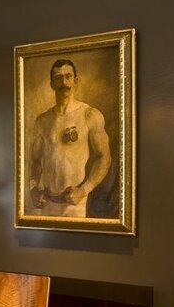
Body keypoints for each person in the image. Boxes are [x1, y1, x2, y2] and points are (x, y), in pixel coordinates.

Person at [27, 59, 111, 217]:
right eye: (58, 78)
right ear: (52, 84)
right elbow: (36, 161)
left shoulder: (89, 115)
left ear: (75, 80)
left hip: (75, 205)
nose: (63, 82)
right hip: (46, 204)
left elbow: (104, 157)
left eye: (68, 76)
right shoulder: (42, 121)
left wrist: (84, 190)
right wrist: (33, 189)